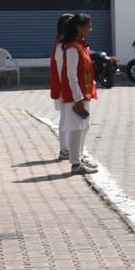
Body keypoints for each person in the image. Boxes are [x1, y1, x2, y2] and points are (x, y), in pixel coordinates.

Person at [60, 13, 99, 175]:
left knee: (84, 126)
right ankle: (75, 163)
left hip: (84, 94)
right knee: (76, 128)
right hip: (76, 96)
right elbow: (71, 74)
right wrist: (78, 98)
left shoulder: (80, 46)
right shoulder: (72, 48)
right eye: (88, 27)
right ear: (79, 28)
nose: (90, 29)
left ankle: (79, 158)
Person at [49, 13, 74, 160]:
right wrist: (65, 89)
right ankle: (65, 149)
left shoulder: (68, 45)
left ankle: (71, 148)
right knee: (65, 118)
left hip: (69, 86)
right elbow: (60, 70)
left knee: (71, 119)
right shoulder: (61, 46)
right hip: (65, 87)